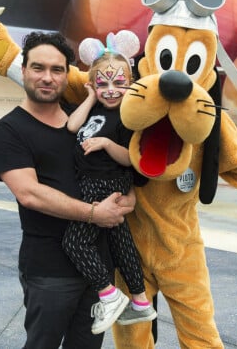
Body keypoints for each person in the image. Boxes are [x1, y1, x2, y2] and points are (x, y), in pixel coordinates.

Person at [0, 31, 136, 349]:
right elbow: (30, 193)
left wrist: (130, 196)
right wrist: (95, 214)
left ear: (67, 74)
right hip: (50, 269)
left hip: (99, 266)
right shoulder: (8, 130)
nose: (47, 77)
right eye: (38, 67)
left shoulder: (86, 118)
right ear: (24, 70)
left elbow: (123, 164)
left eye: (57, 70)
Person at [62, 31, 157, 335]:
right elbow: (72, 126)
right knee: (120, 244)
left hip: (104, 182)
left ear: (131, 83)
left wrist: (104, 143)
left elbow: (131, 158)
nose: (111, 90)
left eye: (119, 83)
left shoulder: (130, 117)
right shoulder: (97, 109)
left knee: (74, 242)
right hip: (93, 182)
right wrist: (90, 97)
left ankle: (109, 294)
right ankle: (140, 301)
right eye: (103, 84)